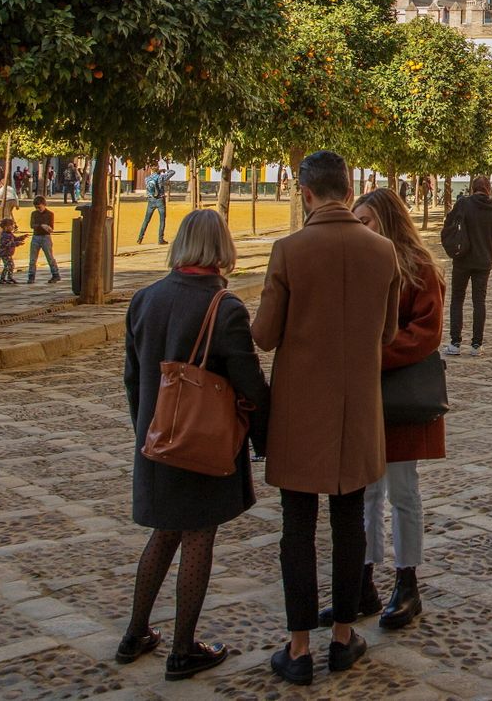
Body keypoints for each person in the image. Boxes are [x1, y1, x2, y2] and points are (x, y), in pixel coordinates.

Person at [252, 150, 401, 685]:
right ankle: (342, 638)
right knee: (348, 524)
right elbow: (387, 334)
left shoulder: (288, 251)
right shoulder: (383, 251)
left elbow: (265, 334)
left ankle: (297, 648)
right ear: (348, 187)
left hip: (299, 411)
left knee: (297, 527)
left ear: (305, 192)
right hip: (358, 409)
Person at [119, 210, 269, 681]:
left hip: (156, 438)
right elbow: (249, 382)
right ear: (221, 248)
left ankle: (135, 632)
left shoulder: (144, 299)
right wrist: (264, 436)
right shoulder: (224, 307)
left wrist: (146, 430)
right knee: (198, 537)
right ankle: (183, 648)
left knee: (164, 532)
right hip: (202, 442)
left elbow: (131, 378)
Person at [332, 188, 445, 631]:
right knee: (365, 491)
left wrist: (372, 351)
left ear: (389, 222)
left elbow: (427, 331)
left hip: (400, 397)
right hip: (361, 396)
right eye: (355, 221)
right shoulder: (354, 267)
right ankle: (361, 583)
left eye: (368, 221)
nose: (360, 229)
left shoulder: (420, 269)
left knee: (402, 491)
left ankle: (407, 582)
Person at [443, 177, 492, 357]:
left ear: (473, 188)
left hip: (462, 258)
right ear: (488, 189)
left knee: (457, 299)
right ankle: (476, 345)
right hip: (484, 260)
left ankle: (455, 343)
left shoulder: (463, 204)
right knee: (479, 302)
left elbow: (449, 223)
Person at [27, 195, 60, 284]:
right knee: (32, 258)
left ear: (44, 204)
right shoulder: (34, 214)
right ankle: (31, 276)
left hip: (46, 236)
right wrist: (41, 225)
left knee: (50, 257)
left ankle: (55, 274)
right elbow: (32, 225)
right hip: (36, 236)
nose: (38, 209)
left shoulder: (50, 214)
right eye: (36, 207)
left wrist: (47, 228)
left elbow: (51, 227)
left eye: (39, 207)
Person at [138, 164, 168, 245]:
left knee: (146, 220)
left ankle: (140, 238)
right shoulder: (161, 177)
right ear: (158, 169)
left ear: (151, 170)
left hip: (150, 201)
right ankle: (160, 239)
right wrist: (162, 171)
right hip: (160, 200)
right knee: (162, 220)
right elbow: (172, 172)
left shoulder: (147, 179)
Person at [0, 217, 25, 284]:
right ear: (6, 227)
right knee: (9, 266)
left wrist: (22, 237)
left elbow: (15, 239)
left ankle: (5, 278)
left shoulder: (10, 234)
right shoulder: (5, 235)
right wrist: (17, 243)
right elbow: (8, 244)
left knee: (9, 266)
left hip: (8, 253)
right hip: (5, 253)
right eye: (11, 226)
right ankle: (7, 278)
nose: (12, 227)